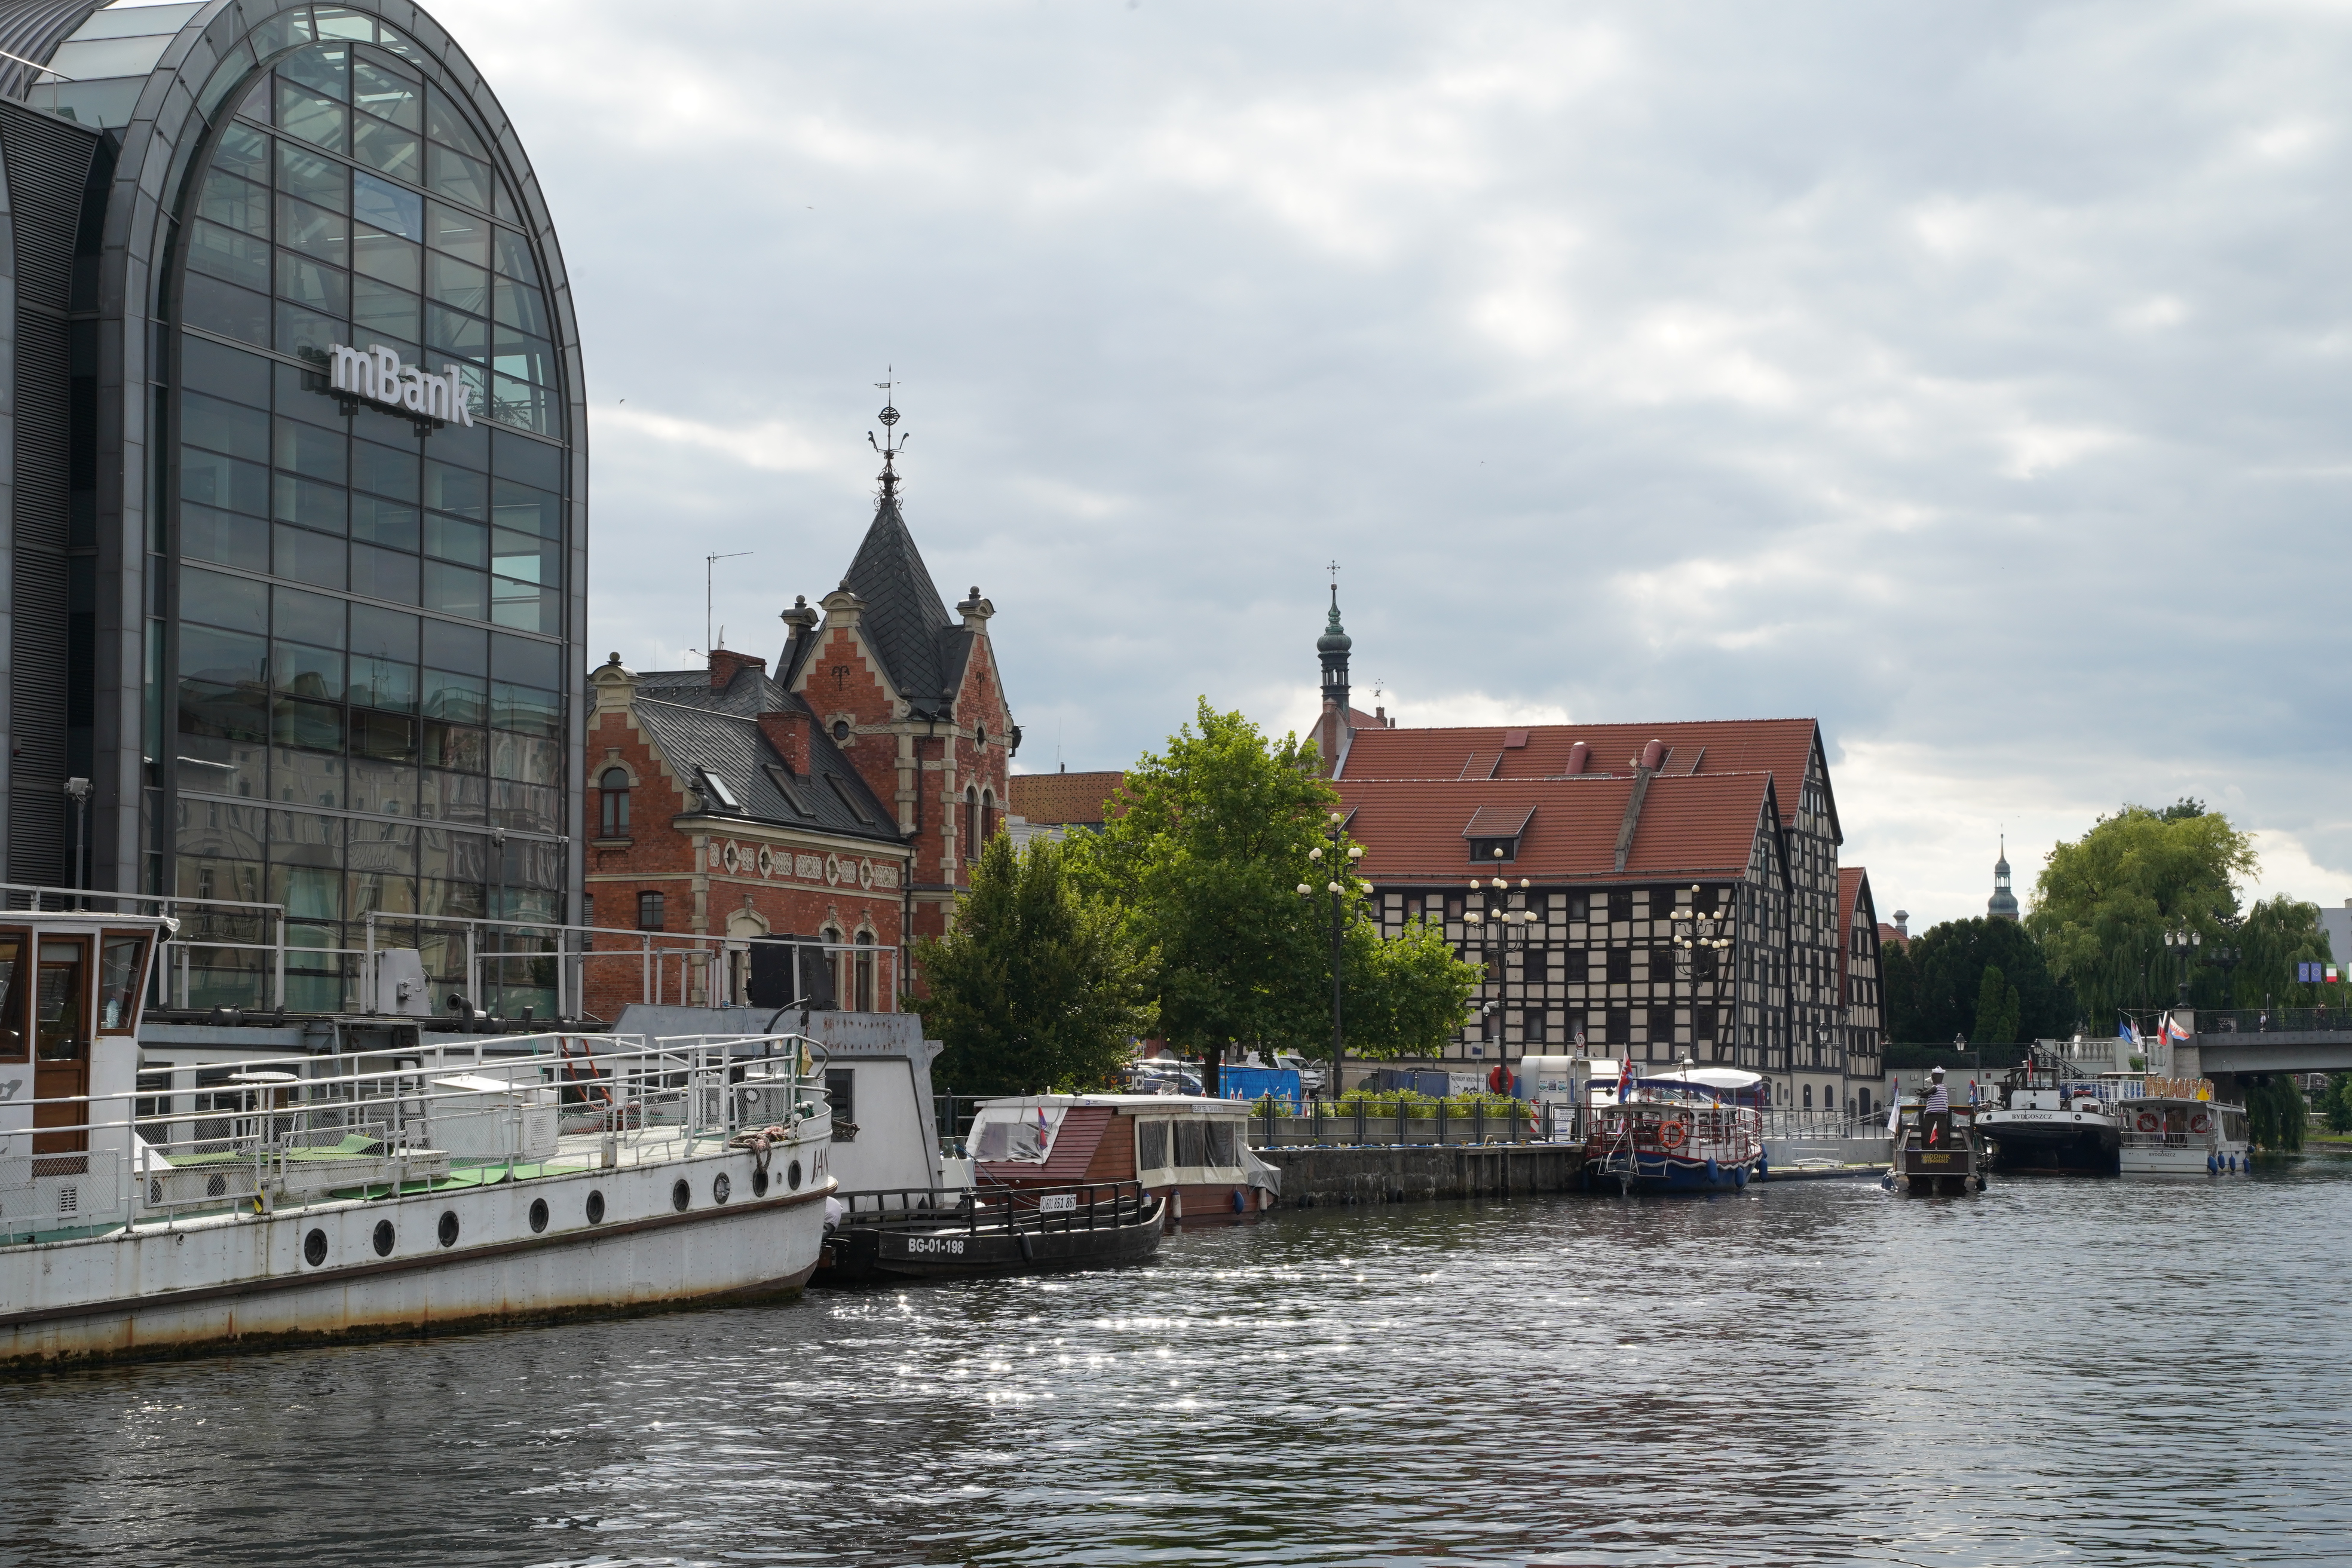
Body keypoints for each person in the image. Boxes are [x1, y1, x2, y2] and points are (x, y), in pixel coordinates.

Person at [1921, 1065, 1951, 1147]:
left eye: (1934, 1077)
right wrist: (1924, 1093)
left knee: (1927, 1130)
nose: (1933, 1079)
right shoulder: (1943, 1088)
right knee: (1943, 1131)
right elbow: (1928, 1094)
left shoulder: (1936, 1087)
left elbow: (1927, 1093)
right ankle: (1945, 1148)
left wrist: (1921, 1093)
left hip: (1933, 1112)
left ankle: (1927, 1147)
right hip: (1942, 1113)